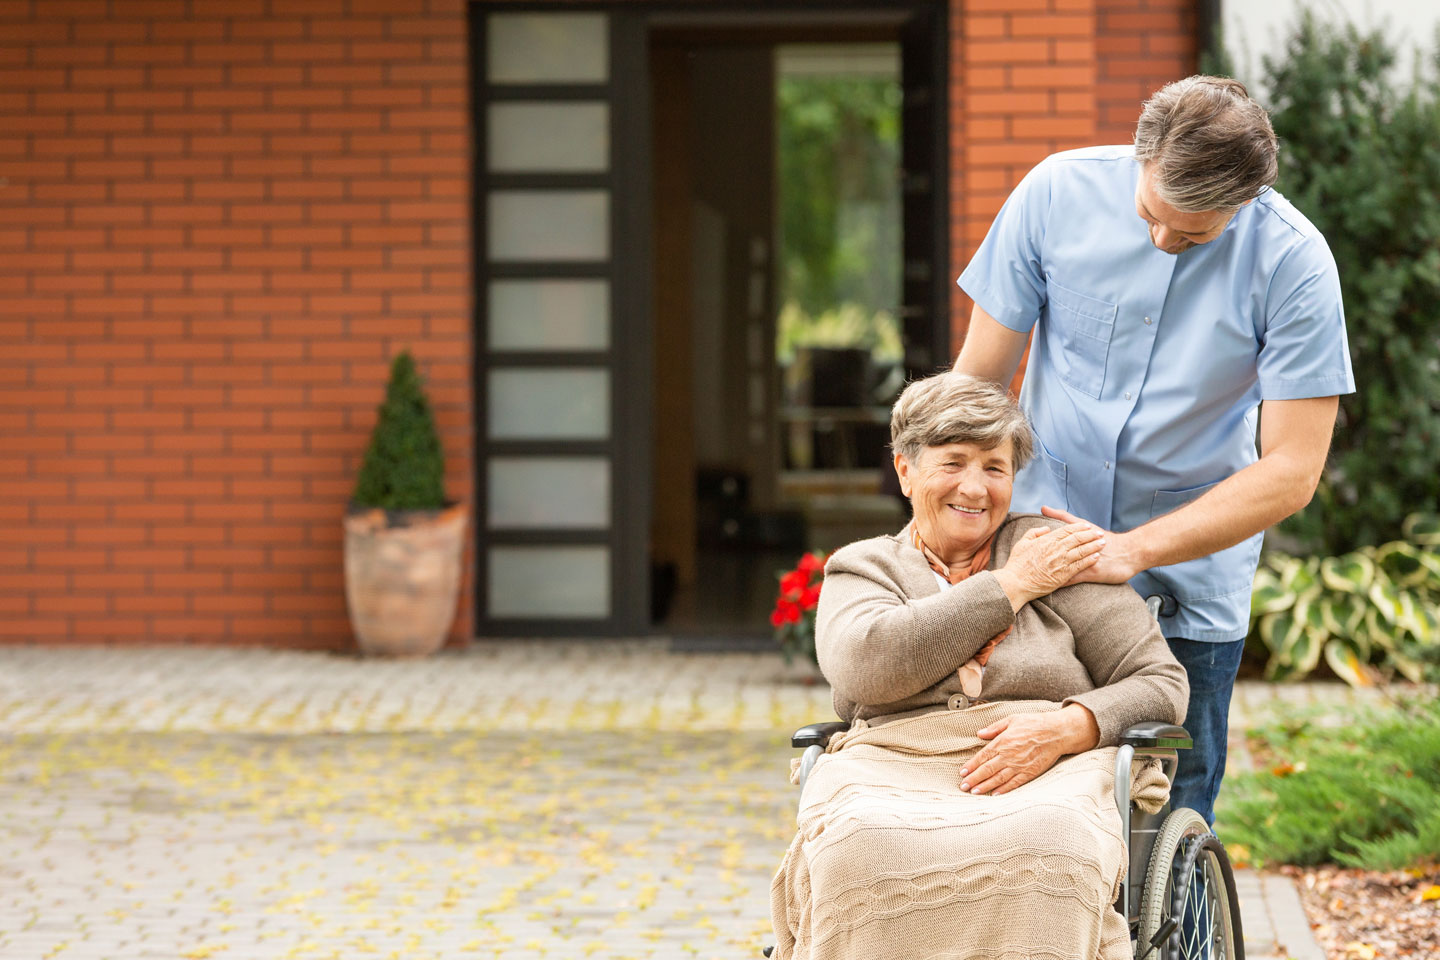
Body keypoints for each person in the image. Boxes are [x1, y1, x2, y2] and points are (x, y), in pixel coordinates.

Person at [954, 75, 1354, 826]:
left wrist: (1132, 550)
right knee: (1021, 801)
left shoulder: (1295, 264)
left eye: (1194, 234)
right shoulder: (1055, 195)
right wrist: (941, 523)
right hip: (1037, 557)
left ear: (1247, 200)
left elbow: (1292, 471)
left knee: (1170, 813)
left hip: (1187, 578)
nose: (1163, 241)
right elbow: (977, 386)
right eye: (1150, 216)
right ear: (1140, 159)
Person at [769, 372, 1188, 960]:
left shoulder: (1054, 554)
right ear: (905, 470)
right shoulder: (865, 568)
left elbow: (1161, 682)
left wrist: (1072, 727)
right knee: (856, 847)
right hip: (896, 762)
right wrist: (1012, 585)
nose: (975, 486)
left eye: (995, 467)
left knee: (1055, 844)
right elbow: (867, 668)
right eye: (953, 462)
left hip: (1048, 769)